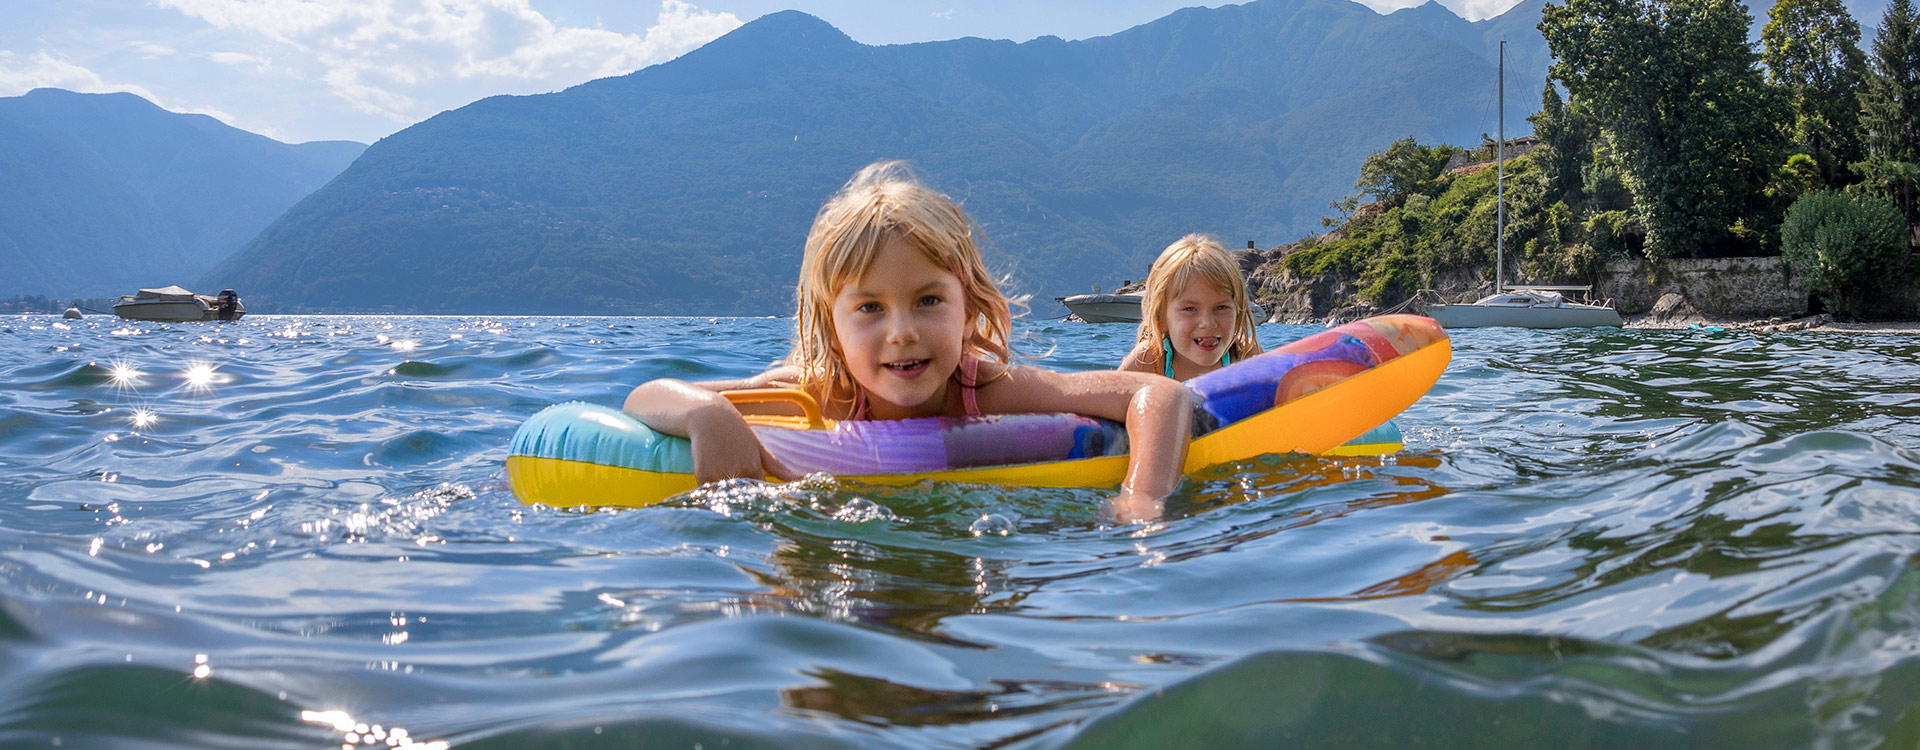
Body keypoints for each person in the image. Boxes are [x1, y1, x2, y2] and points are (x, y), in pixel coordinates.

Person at [623, 161, 1192, 520]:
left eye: (928, 300)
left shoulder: (982, 388)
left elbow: (1159, 396)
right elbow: (644, 396)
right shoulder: (819, 391)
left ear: (968, 310)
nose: (902, 332)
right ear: (832, 325)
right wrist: (711, 417)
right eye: (870, 308)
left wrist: (1142, 497)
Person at [1119, 234, 1264, 381]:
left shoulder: (1245, 357)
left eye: (1221, 307)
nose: (1207, 323)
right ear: (1161, 318)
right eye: (1190, 309)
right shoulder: (1147, 362)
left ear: (1238, 311)